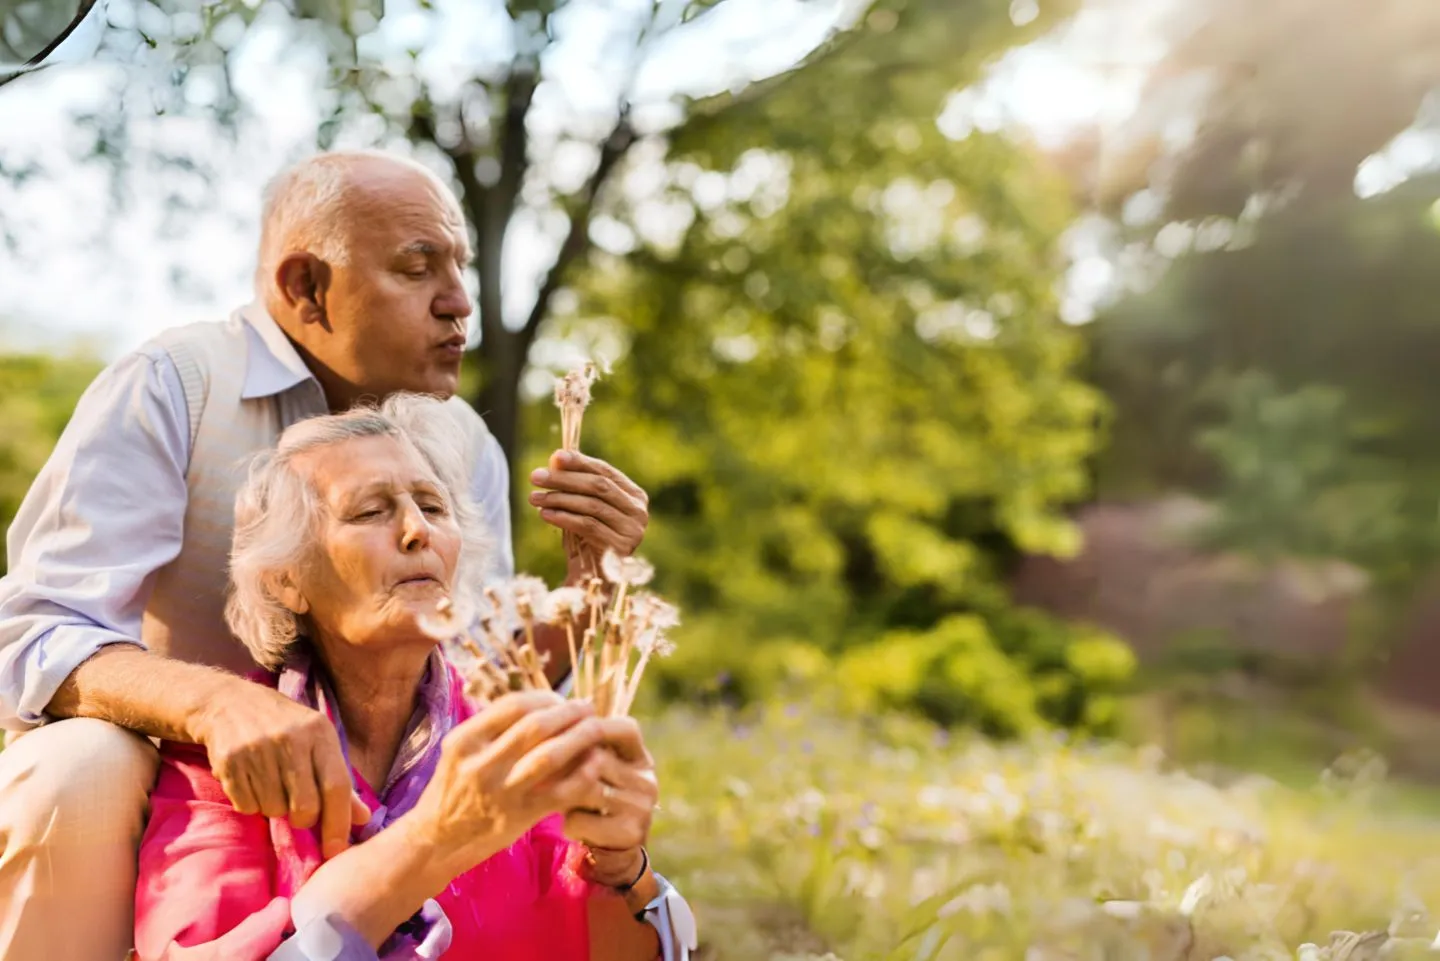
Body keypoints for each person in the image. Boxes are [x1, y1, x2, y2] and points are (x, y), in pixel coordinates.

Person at [0, 149, 652, 961]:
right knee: (79, 768)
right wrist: (217, 707)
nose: (459, 302)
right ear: (306, 287)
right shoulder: (173, 385)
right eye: (417, 267)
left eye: (459, 266)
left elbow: (470, 670)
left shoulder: (464, 441)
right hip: (184, 782)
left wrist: (590, 586)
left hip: (388, 768)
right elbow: (34, 632)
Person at [134, 395, 695, 960]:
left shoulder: (510, 742)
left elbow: (596, 944)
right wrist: (438, 836)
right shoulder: (231, 760)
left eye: (432, 506)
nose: (416, 531)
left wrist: (623, 869)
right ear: (286, 580)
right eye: (369, 512)